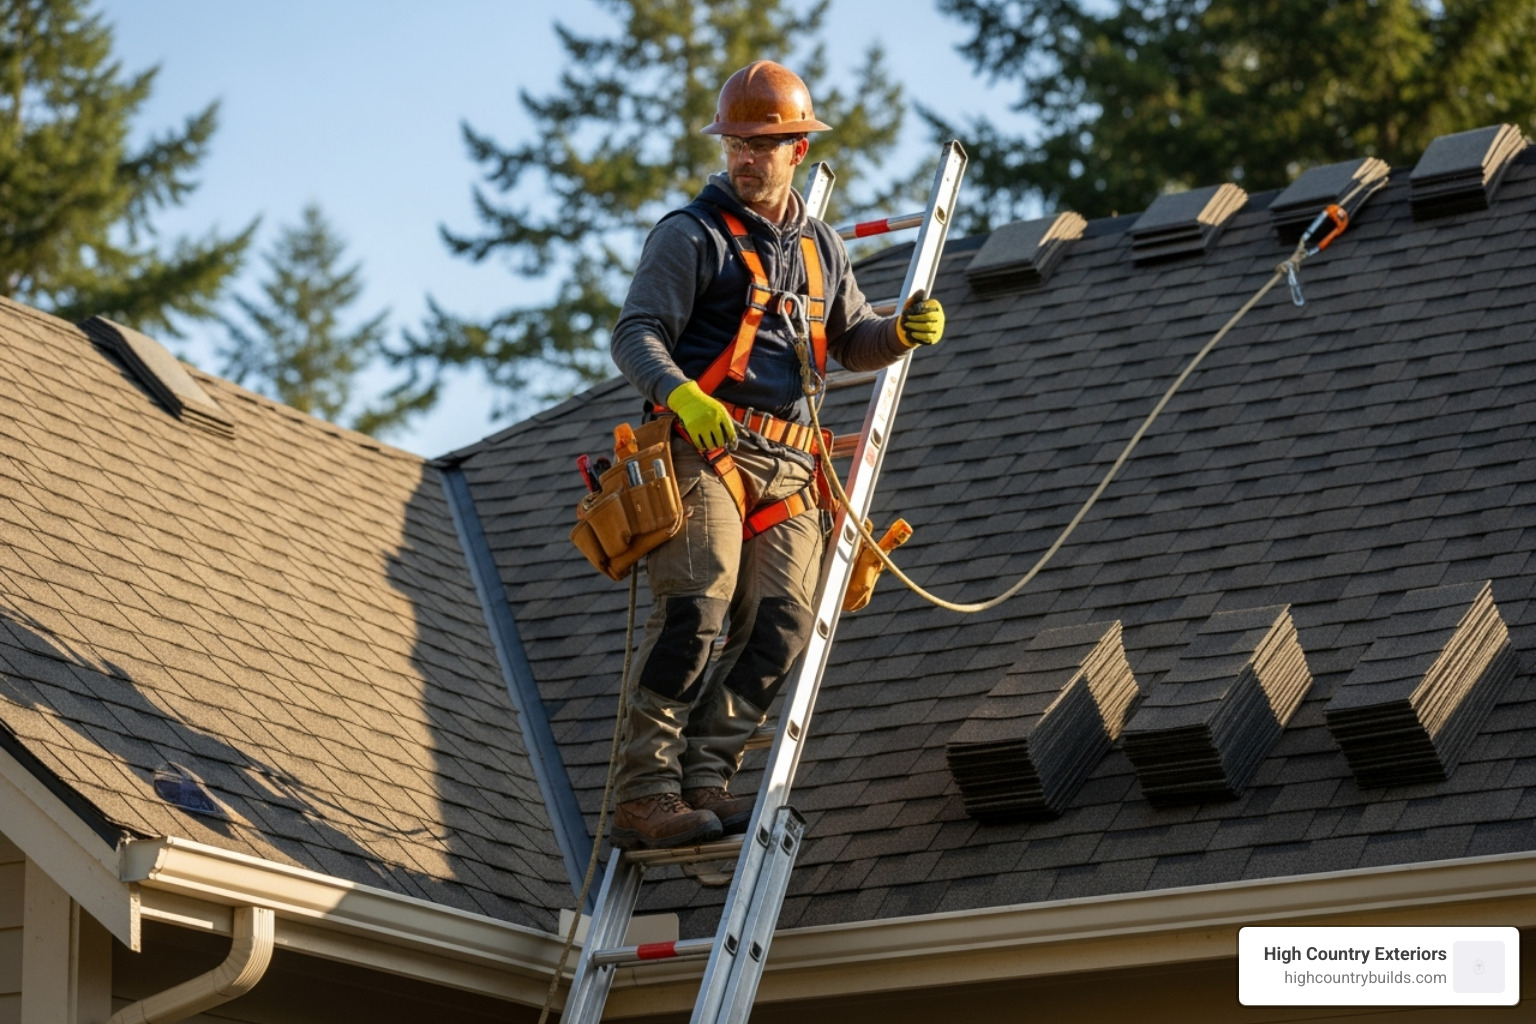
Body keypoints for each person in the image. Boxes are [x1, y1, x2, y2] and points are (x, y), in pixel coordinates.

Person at [607, 60, 945, 849]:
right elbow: (635, 333)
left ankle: (706, 774)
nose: (745, 158)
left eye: (764, 144)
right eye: (736, 143)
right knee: (699, 603)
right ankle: (645, 791)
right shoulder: (689, 237)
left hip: (790, 462)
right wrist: (679, 392)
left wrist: (897, 332)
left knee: (787, 621)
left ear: (798, 147)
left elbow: (849, 339)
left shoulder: (823, 248)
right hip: (702, 446)